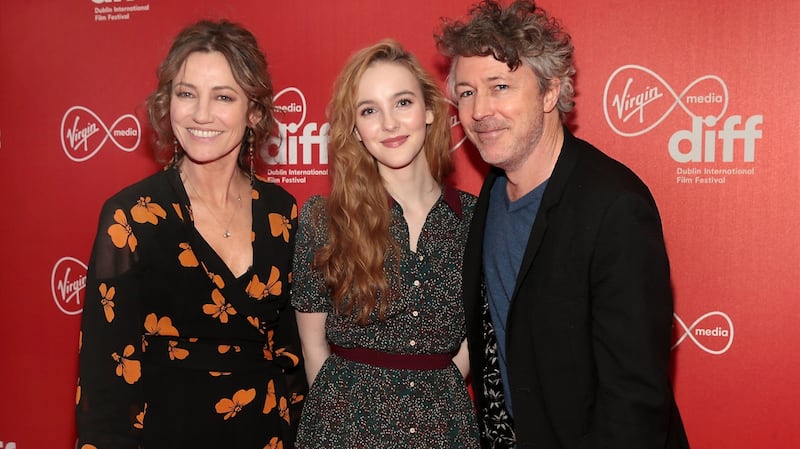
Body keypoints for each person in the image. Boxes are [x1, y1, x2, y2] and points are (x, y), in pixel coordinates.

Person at [436, 1, 691, 448]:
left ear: (551, 91)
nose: (478, 111)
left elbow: (634, 401)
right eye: (467, 92)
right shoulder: (490, 197)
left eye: (499, 86)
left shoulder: (615, 208)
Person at [75, 20, 306, 449]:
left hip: (267, 435)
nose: (201, 114)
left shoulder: (282, 212)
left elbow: (293, 357)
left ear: (253, 112)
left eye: (223, 96)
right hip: (167, 433)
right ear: (168, 104)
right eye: (186, 94)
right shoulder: (132, 217)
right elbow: (105, 380)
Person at [290, 39, 480, 448]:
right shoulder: (324, 218)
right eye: (370, 110)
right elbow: (312, 341)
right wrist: (341, 419)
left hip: (443, 426)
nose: (389, 124)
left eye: (403, 103)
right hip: (345, 427)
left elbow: (481, 331)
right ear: (355, 129)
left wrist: (439, 384)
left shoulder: (475, 218)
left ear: (430, 111)